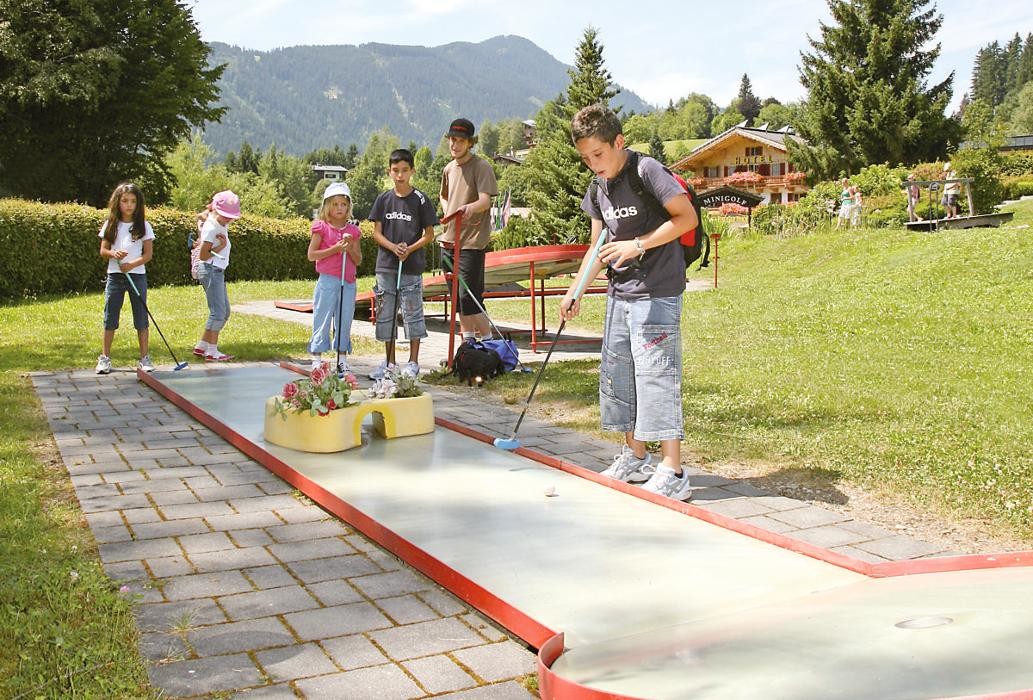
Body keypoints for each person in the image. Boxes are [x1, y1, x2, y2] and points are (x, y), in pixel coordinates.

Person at [562, 103, 698, 501]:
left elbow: (684, 218)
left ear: (618, 142)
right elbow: (598, 245)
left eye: (598, 155)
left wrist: (638, 244)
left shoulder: (646, 171)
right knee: (619, 374)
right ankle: (635, 456)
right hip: (619, 293)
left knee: (656, 373)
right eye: (585, 158)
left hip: (657, 290)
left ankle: (672, 470)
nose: (593, 164)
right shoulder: (598, 187)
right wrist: (576, 290)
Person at [368, 148, 439, 379]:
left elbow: (429, 235)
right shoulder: (383, 199)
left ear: (412, 171)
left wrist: (409, 249)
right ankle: (389, 363)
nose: (400, 175)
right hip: (386, 266)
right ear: (389, 172)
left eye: (405, 170)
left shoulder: (421, 199)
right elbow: (376, 233)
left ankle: (413, 363)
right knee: (386, 314)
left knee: (412, 313)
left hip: (411, 265)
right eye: (396, 170)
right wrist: (392, 247)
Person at [439, 117, 498, 343]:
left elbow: (485, 201)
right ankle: (469, 343)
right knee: (457, 299)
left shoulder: (481, 167)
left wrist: (468, 209)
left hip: (471, 242)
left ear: (470, 143)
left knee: (470, 297)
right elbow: (443, 196)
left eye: (460, 141)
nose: (455, 145)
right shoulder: (448, 169)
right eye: (452, 140)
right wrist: (449, 213)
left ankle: (490, 341)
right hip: (449, 240)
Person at [96, 182, 155, 375]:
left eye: (133, 201)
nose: (129, 205)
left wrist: (132, 264)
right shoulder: (111, 224)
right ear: (117, 202)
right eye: (124, 201)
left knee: (140, 316)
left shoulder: (144, 226)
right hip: (115, 276)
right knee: (110, 315)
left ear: (138, 204)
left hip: (137, 276)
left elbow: (148, 255)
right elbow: (103, 250)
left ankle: (144, 358)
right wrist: (114, 254)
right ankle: (105, 358)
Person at [307, 182, 362, 372]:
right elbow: (312, 255)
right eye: (335, 204)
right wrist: (335, 249)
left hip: (347, 282)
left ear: (348, 207)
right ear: (327, 206)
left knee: (344, 319)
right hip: (328, 280)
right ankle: (317, 357)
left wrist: (349, 248)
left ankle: (342, 358)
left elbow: (358, 259)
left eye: (343, 204)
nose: (340, 208)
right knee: (322, 317)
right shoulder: (321, 228)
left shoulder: (353, 231)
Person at [193, 190, 241, 361]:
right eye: (226, 215)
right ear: (217, 210)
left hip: (217, 271)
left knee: (225, 311)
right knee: (218, 313)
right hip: (211, 270)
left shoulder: (218, 221)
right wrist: (221, 246)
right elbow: (203, 255)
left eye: (231, 216)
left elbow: (205, 214)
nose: (229, 219)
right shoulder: (213, 227)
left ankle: (202, 346)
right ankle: (212, 351)